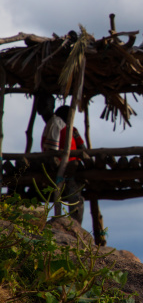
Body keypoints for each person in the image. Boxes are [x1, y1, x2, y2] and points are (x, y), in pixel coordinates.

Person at [36, 93, 85, 223]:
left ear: (52, 106)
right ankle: (73, 224)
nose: (40, 108)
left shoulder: (55, 122)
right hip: (68, 164)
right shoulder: (56, 123)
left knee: (72, 195)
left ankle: (72, 226)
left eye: (45, 105)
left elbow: (52, 151)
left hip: (67, 165)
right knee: (73, 196)